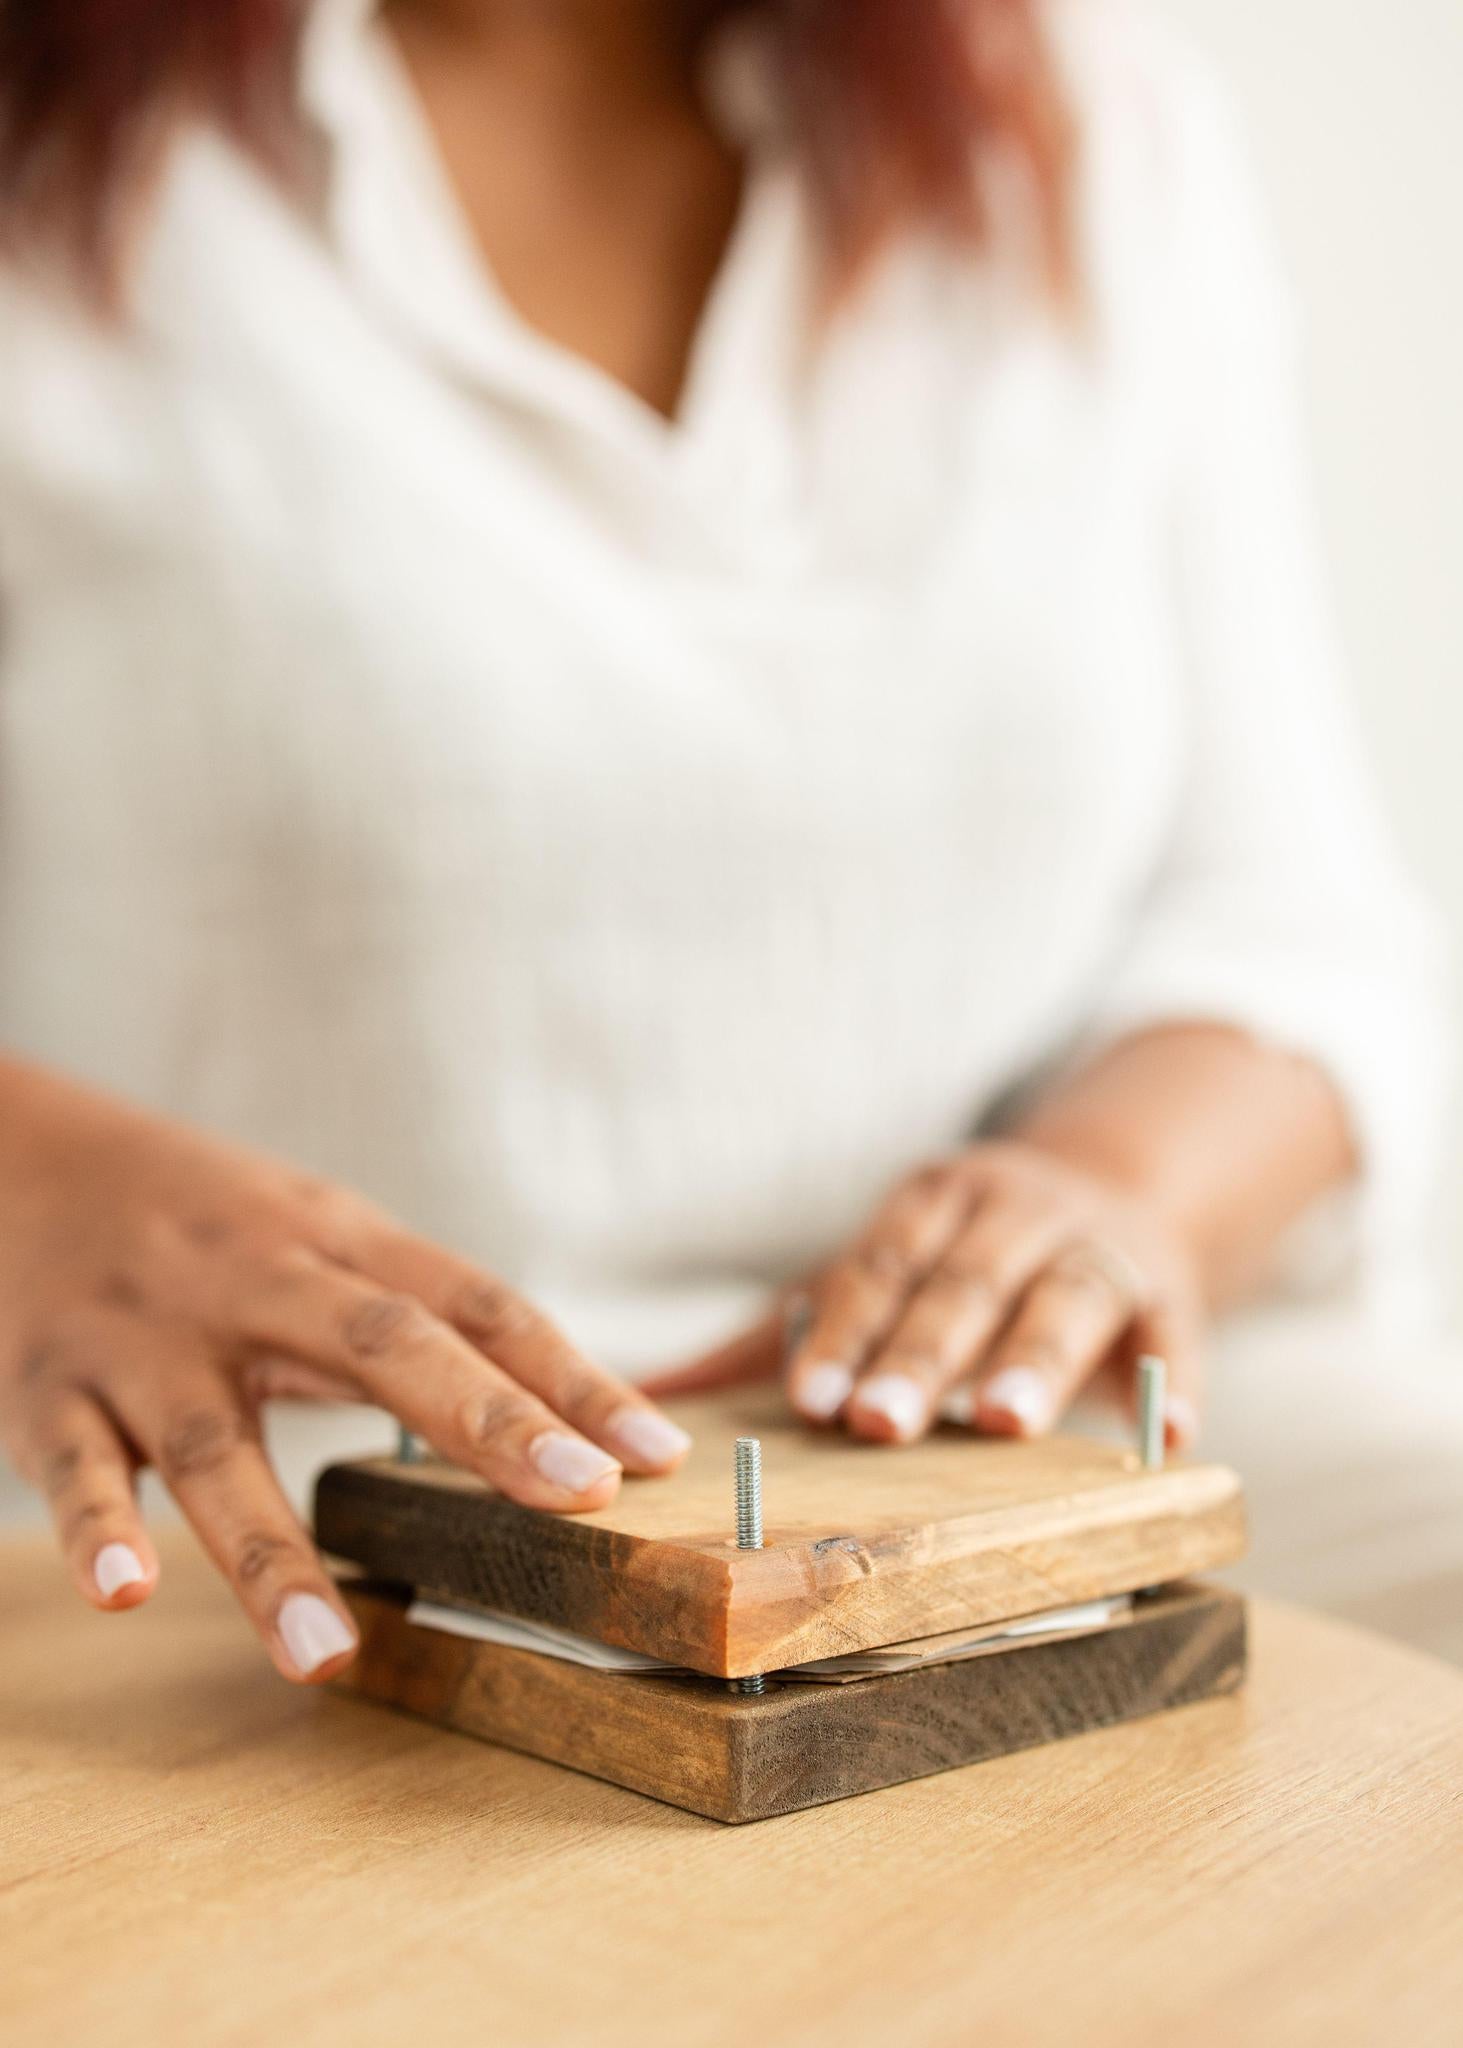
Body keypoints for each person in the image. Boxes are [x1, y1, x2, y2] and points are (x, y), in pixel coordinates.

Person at [0, 0, 1441, 1685]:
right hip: (285, 1492)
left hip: (1051, 1434)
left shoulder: (1082, 125)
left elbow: (1294, 917)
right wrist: (37, 1191)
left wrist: (1122, 1190)